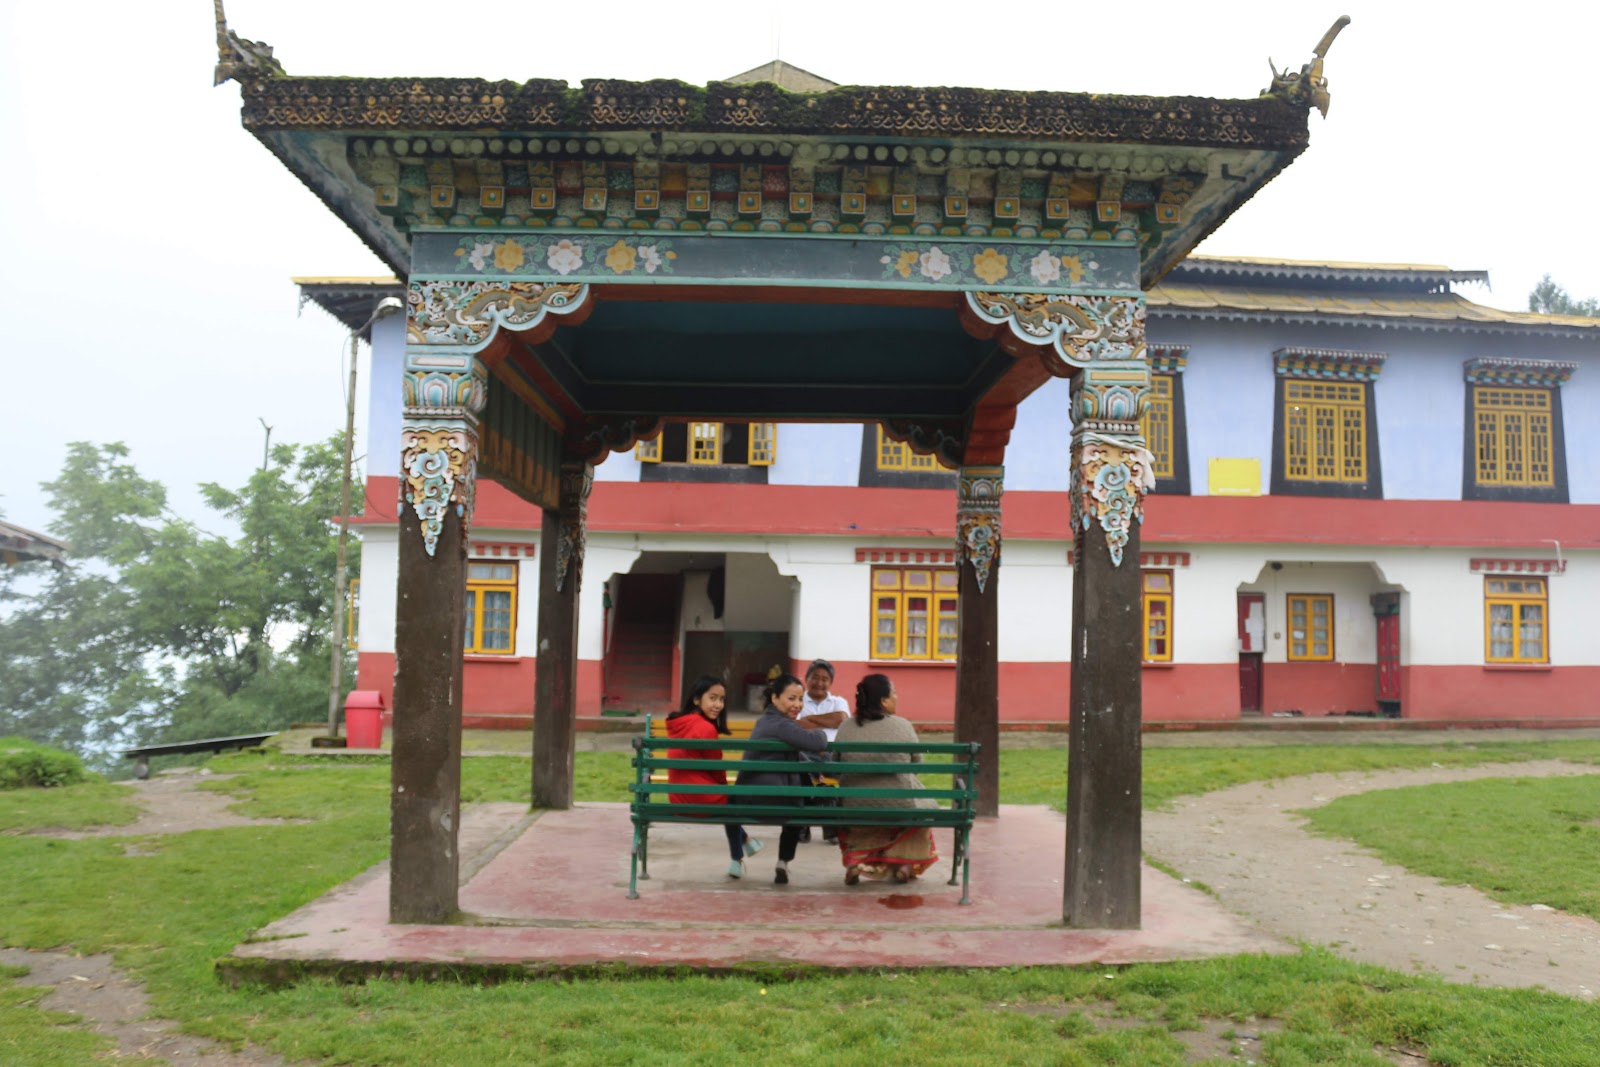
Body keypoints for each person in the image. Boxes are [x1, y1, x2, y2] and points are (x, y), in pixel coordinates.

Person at [834, 673, 939, 885]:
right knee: (922, 809)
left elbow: (835, 766)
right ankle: (904, 864)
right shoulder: (903, 726)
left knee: (865, 814)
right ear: (883, 701)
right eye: (894, 693)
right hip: (899, 804)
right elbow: (916, 765)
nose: (897, 697)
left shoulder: (846, 727)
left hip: (855, 805)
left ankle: (856, 862)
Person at [667, 676, 763, 879]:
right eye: (713, 698)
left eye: (721, 699)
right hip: (698, 798)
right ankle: (737, 858)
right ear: (696, 699)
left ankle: (747, 843)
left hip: (677, 797)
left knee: (728, 800)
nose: (718, 704)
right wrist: (723, 787)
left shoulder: (677, 723)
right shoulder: (706, 728)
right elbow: (717, 770)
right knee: (732, 801)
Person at [736, 672, 828, 884]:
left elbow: (798, 753)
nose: (797, 704)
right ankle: (783, 861)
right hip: (769, 802)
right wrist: (818, 731)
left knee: (800, 781)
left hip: (751, 797)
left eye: (800, 699)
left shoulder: (766, 722)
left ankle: (819, 803)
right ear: (774, 698)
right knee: (799, 805)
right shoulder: (782, 725)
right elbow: (819, 742)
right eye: (791, 698)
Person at [795, 658, 851, 843]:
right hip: (805, 752)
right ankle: (805, 824)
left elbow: (841, 719)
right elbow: (795, 725)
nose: (819, 682)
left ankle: (829, 826)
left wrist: (809, 720)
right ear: (807, 678)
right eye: (815, 677)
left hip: (832, 753)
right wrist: (826, 720)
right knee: (802, 770)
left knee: (830, 767)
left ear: (831, 682)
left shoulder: (838, 701)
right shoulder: (797, 700)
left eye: (824, 679)